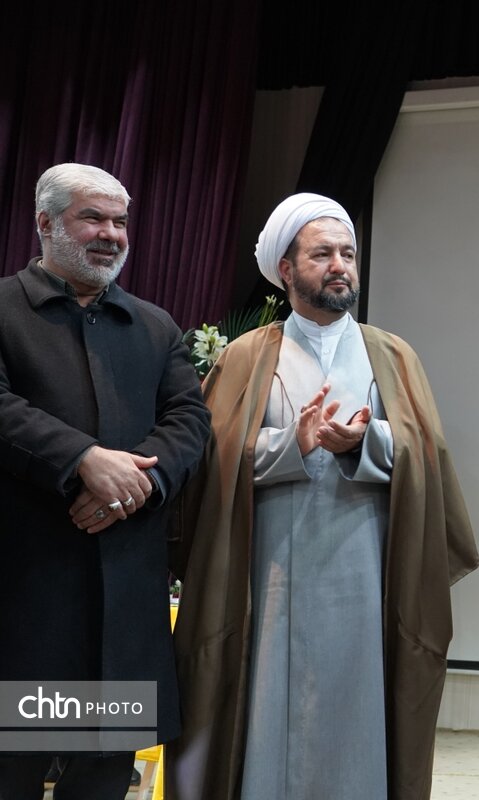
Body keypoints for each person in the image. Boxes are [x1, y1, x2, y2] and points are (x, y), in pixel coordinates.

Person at [167, 193, 479, 800]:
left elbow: (427, 456)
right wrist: (292, 445)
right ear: (286, 269)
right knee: (264, 702)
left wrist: (366, 443)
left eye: (347, 254)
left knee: (358, 702)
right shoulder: (244, 356)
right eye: (322, 254)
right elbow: (211, 462)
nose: (340, 266)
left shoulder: (393, 354)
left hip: (365, 569)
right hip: (268, 570)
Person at [0, 163, 210, 799]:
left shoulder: (154, 324)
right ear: (45, 223)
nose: (112, 234)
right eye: (92, 217)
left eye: (120, 221)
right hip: (26, 597)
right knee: (13, 768)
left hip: (123, 603)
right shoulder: (3, 309)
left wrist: (133, 482)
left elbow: (189, 419)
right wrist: (83, 458)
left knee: (103, 775)